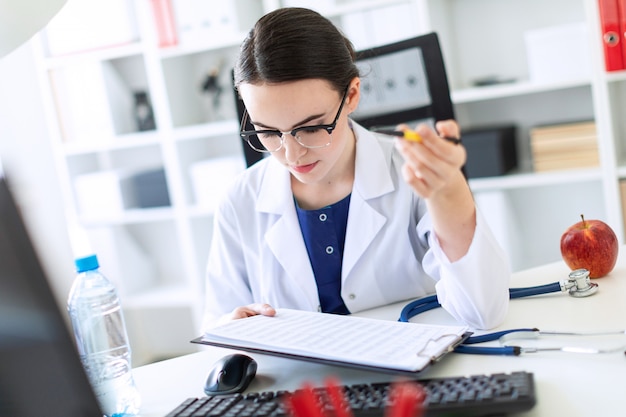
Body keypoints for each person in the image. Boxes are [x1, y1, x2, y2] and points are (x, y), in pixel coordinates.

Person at [202, 7, 510, 331]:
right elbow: (219, 326)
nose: (291, 153)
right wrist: (231, 327)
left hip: (412, 374)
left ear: (351, 95)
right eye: (267, 132)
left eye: (312, 127)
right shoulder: (240, 200)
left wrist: (450, 194)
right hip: (301, 380)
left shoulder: (414, 176)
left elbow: (484, 312)